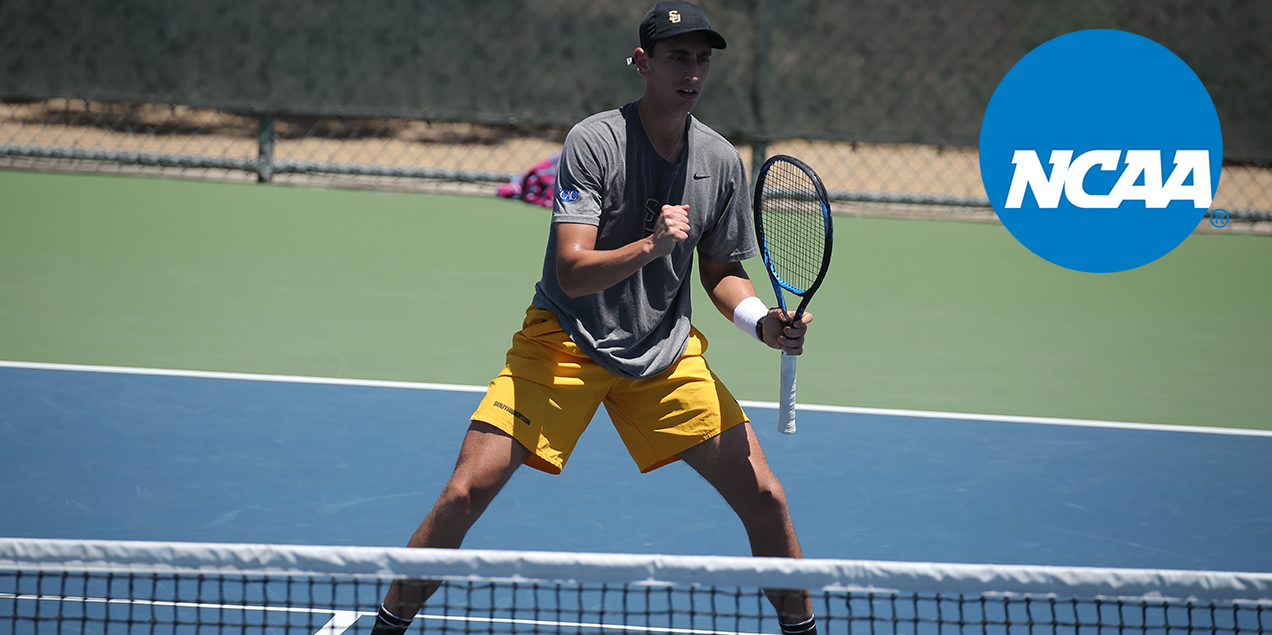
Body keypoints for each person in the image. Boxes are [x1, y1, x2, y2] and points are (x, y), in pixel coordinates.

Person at [371, 2, 817, 634]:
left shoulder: (720, 162)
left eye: (701, 59)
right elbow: (573, 270)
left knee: (766, 497)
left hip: (662, 355)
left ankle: (805, 632)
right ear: (642, 63)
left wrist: (760, 324)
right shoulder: (595, 141)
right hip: (564, 342)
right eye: (676, 57)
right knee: (465, 491)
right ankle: (386, 627)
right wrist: (651, 247)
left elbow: (719, 271)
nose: (690, 71)